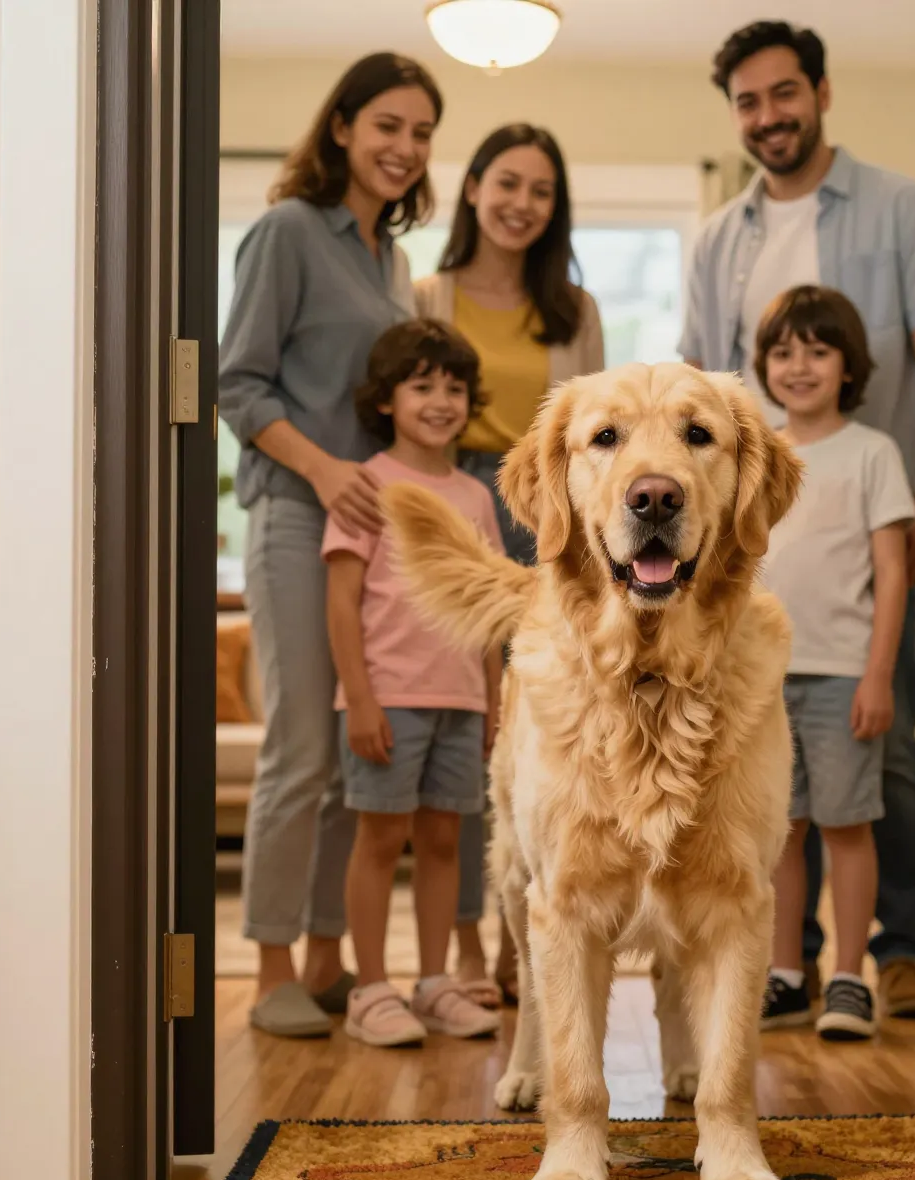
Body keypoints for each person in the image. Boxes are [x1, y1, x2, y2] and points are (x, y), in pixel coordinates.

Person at [680, 20, 915, 1019]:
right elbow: (704, 384)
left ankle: (896, 950)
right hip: (753, 549)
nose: (767, 117)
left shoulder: (900, 207)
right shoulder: (719, 238)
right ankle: (777, 960)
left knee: (888, 745)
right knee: (761, 772)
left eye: (783, 95)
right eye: (747, 103)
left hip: (868, 529)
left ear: (822, 93)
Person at [218, 52, 442, 1038]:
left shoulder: (389, 261)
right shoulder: (286, 233)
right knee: (303, 746)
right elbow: (238, 386)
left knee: (362, 751)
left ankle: (324, 962)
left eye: (422, 132)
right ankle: (270, 966)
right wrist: (319, 471)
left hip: (375, 531)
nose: (404, 147)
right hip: (298, 513)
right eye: (388, 124)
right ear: (342, 126)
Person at [413, 123, 605, 1006]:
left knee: (535, 737)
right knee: (470, 741)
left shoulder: (577, 310)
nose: (522, 204)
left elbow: (598, 436)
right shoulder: (427, 294)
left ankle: (529, 936)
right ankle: (468, 948)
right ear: (475, 188)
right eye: (508, 184)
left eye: (542, 190)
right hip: (464, 517)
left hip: (554, 529)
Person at [324, 320, 505, 1047]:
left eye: (454, 388)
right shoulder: (367, 485)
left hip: (462, 699)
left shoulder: (475, 497)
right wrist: (360, 699)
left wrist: (497, 703)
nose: (440, 401)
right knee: (378, 838)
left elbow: (488, 607)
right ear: (388, 399)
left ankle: (435, 983)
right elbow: (342, 600)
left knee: (443, 844)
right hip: (389, 698)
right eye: (422, 385)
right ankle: (371, 990)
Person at [754, 287, 915, 1040]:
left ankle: (849, 975)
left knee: (847, 825)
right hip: (760, 677)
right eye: (783, 352)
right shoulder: (756, 452)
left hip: (846, 673)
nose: (799, 366)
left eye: (816, 350)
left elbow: (892, 572)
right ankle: (786, 975)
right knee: (779, 828)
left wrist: (879, 674)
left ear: (848, 365)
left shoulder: (872, 453)